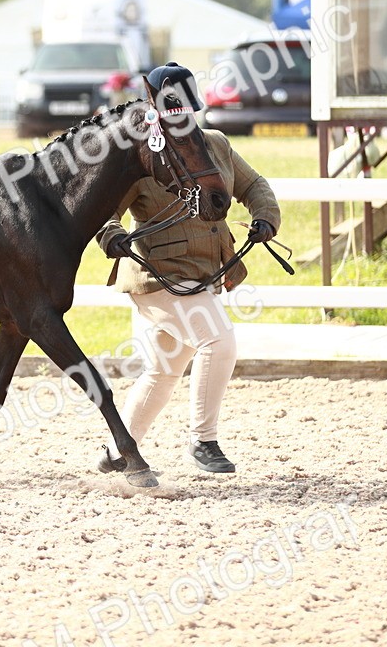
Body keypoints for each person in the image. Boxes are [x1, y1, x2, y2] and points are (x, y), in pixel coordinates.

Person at [95, 65, 281, 475]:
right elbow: (106, 210)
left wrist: (265, 217)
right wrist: (112, 234)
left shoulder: (215, 144)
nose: (183, 119)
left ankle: (116, 453)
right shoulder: (142, 153)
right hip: (157, 276)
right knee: (220, 342)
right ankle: (203, 441)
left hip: (205, 274)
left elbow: (254, 185)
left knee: (163, 371)